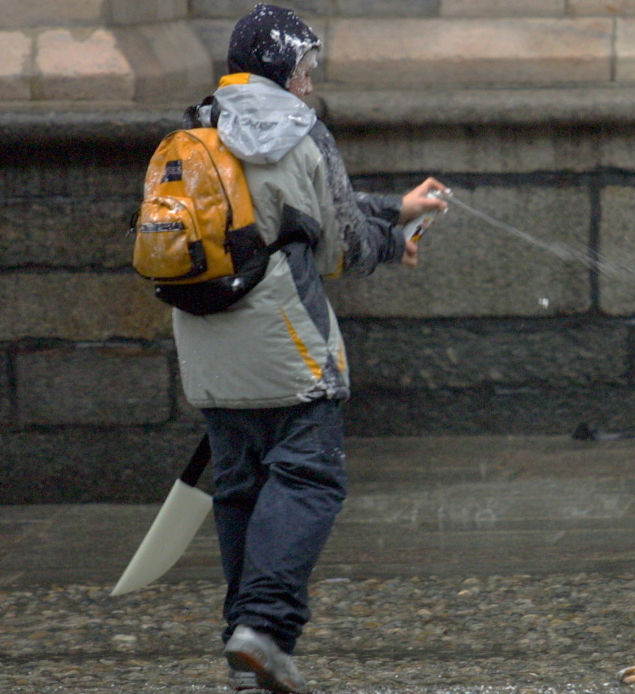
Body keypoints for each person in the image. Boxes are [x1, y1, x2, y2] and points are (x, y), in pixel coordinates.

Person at [170, 5, 449, 692]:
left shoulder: (199, 127)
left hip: (207, 343)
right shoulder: (300, 132)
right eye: (304, 68)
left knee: (240, 487)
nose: (308, 82)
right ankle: (264, 629)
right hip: (286, 341)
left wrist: (397, 211)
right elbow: (340, 246)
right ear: (283, 67)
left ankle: (246, 646)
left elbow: (292, 212)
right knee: (307, 478)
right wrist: (394, 242)